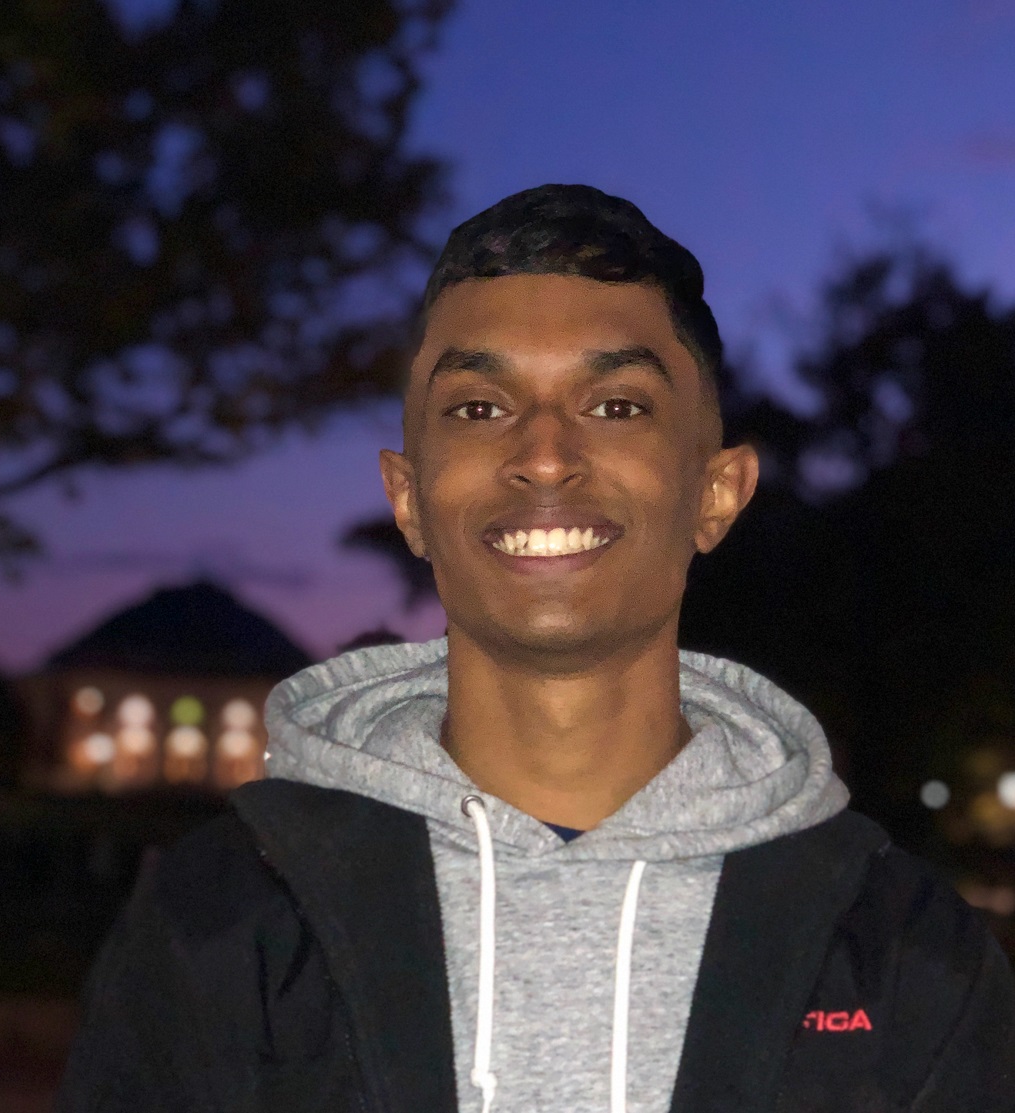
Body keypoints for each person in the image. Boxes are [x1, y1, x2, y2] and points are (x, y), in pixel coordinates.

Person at [56, 185, 1015, 1112]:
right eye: (479, 408)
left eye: (616, 406)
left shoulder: (908, 954)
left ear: (715, 493)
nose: (545, 454)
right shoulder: (211, 924)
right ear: (407, 499)